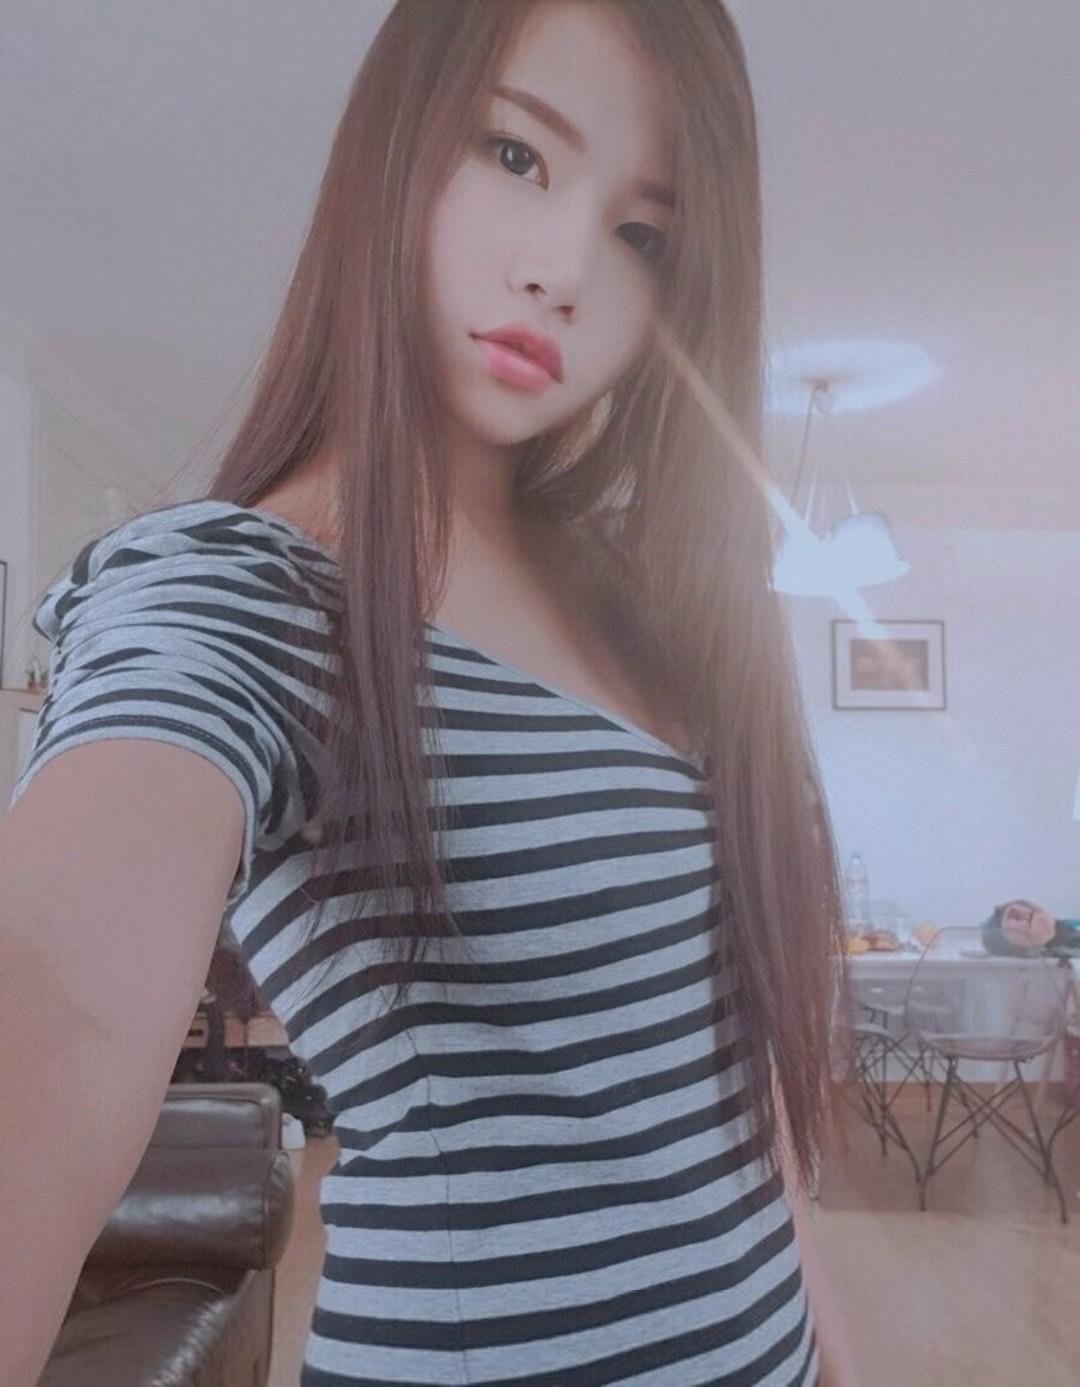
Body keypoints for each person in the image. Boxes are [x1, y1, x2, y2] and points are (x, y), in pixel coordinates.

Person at [1, 2, 857, 1382]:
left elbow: (730, 1085)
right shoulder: (241, 592)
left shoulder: (643, 606)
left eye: (642, 236)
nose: (564, 272)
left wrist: (829, 1346)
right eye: (517, 155)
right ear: (394, 149)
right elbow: (57, 987)